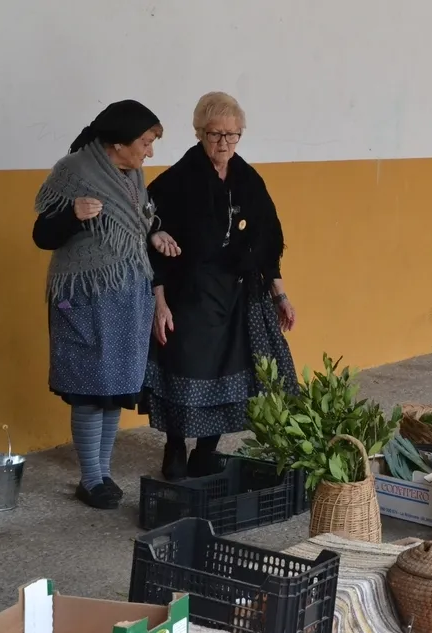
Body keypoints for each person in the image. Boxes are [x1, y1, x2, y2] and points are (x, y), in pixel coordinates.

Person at [140, 91, 298, 481]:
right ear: (199, 133)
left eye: (232, 134)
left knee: (232, 372)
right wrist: (159, 300)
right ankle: (175, 447)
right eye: (215, 134)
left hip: (239, 293)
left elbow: (266, 243)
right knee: (187, 369)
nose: (224, 143)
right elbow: (149, 244)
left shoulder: (249, 180)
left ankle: (206, 450)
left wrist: (279, 294)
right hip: (190, 293)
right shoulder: (176, 181)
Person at [32, 100, 180, 510]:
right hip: (85, 295)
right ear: (118, 142)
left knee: (115, 388)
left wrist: (154, 234)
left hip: (127, 295)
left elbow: (137, 223)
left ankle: (104, 472)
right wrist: (73, 214)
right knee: (88, 389)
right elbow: (42, 235)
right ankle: (90, 478)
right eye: (145, 142)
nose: (150, 151)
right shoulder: (73, 171)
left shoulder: (133, 176)